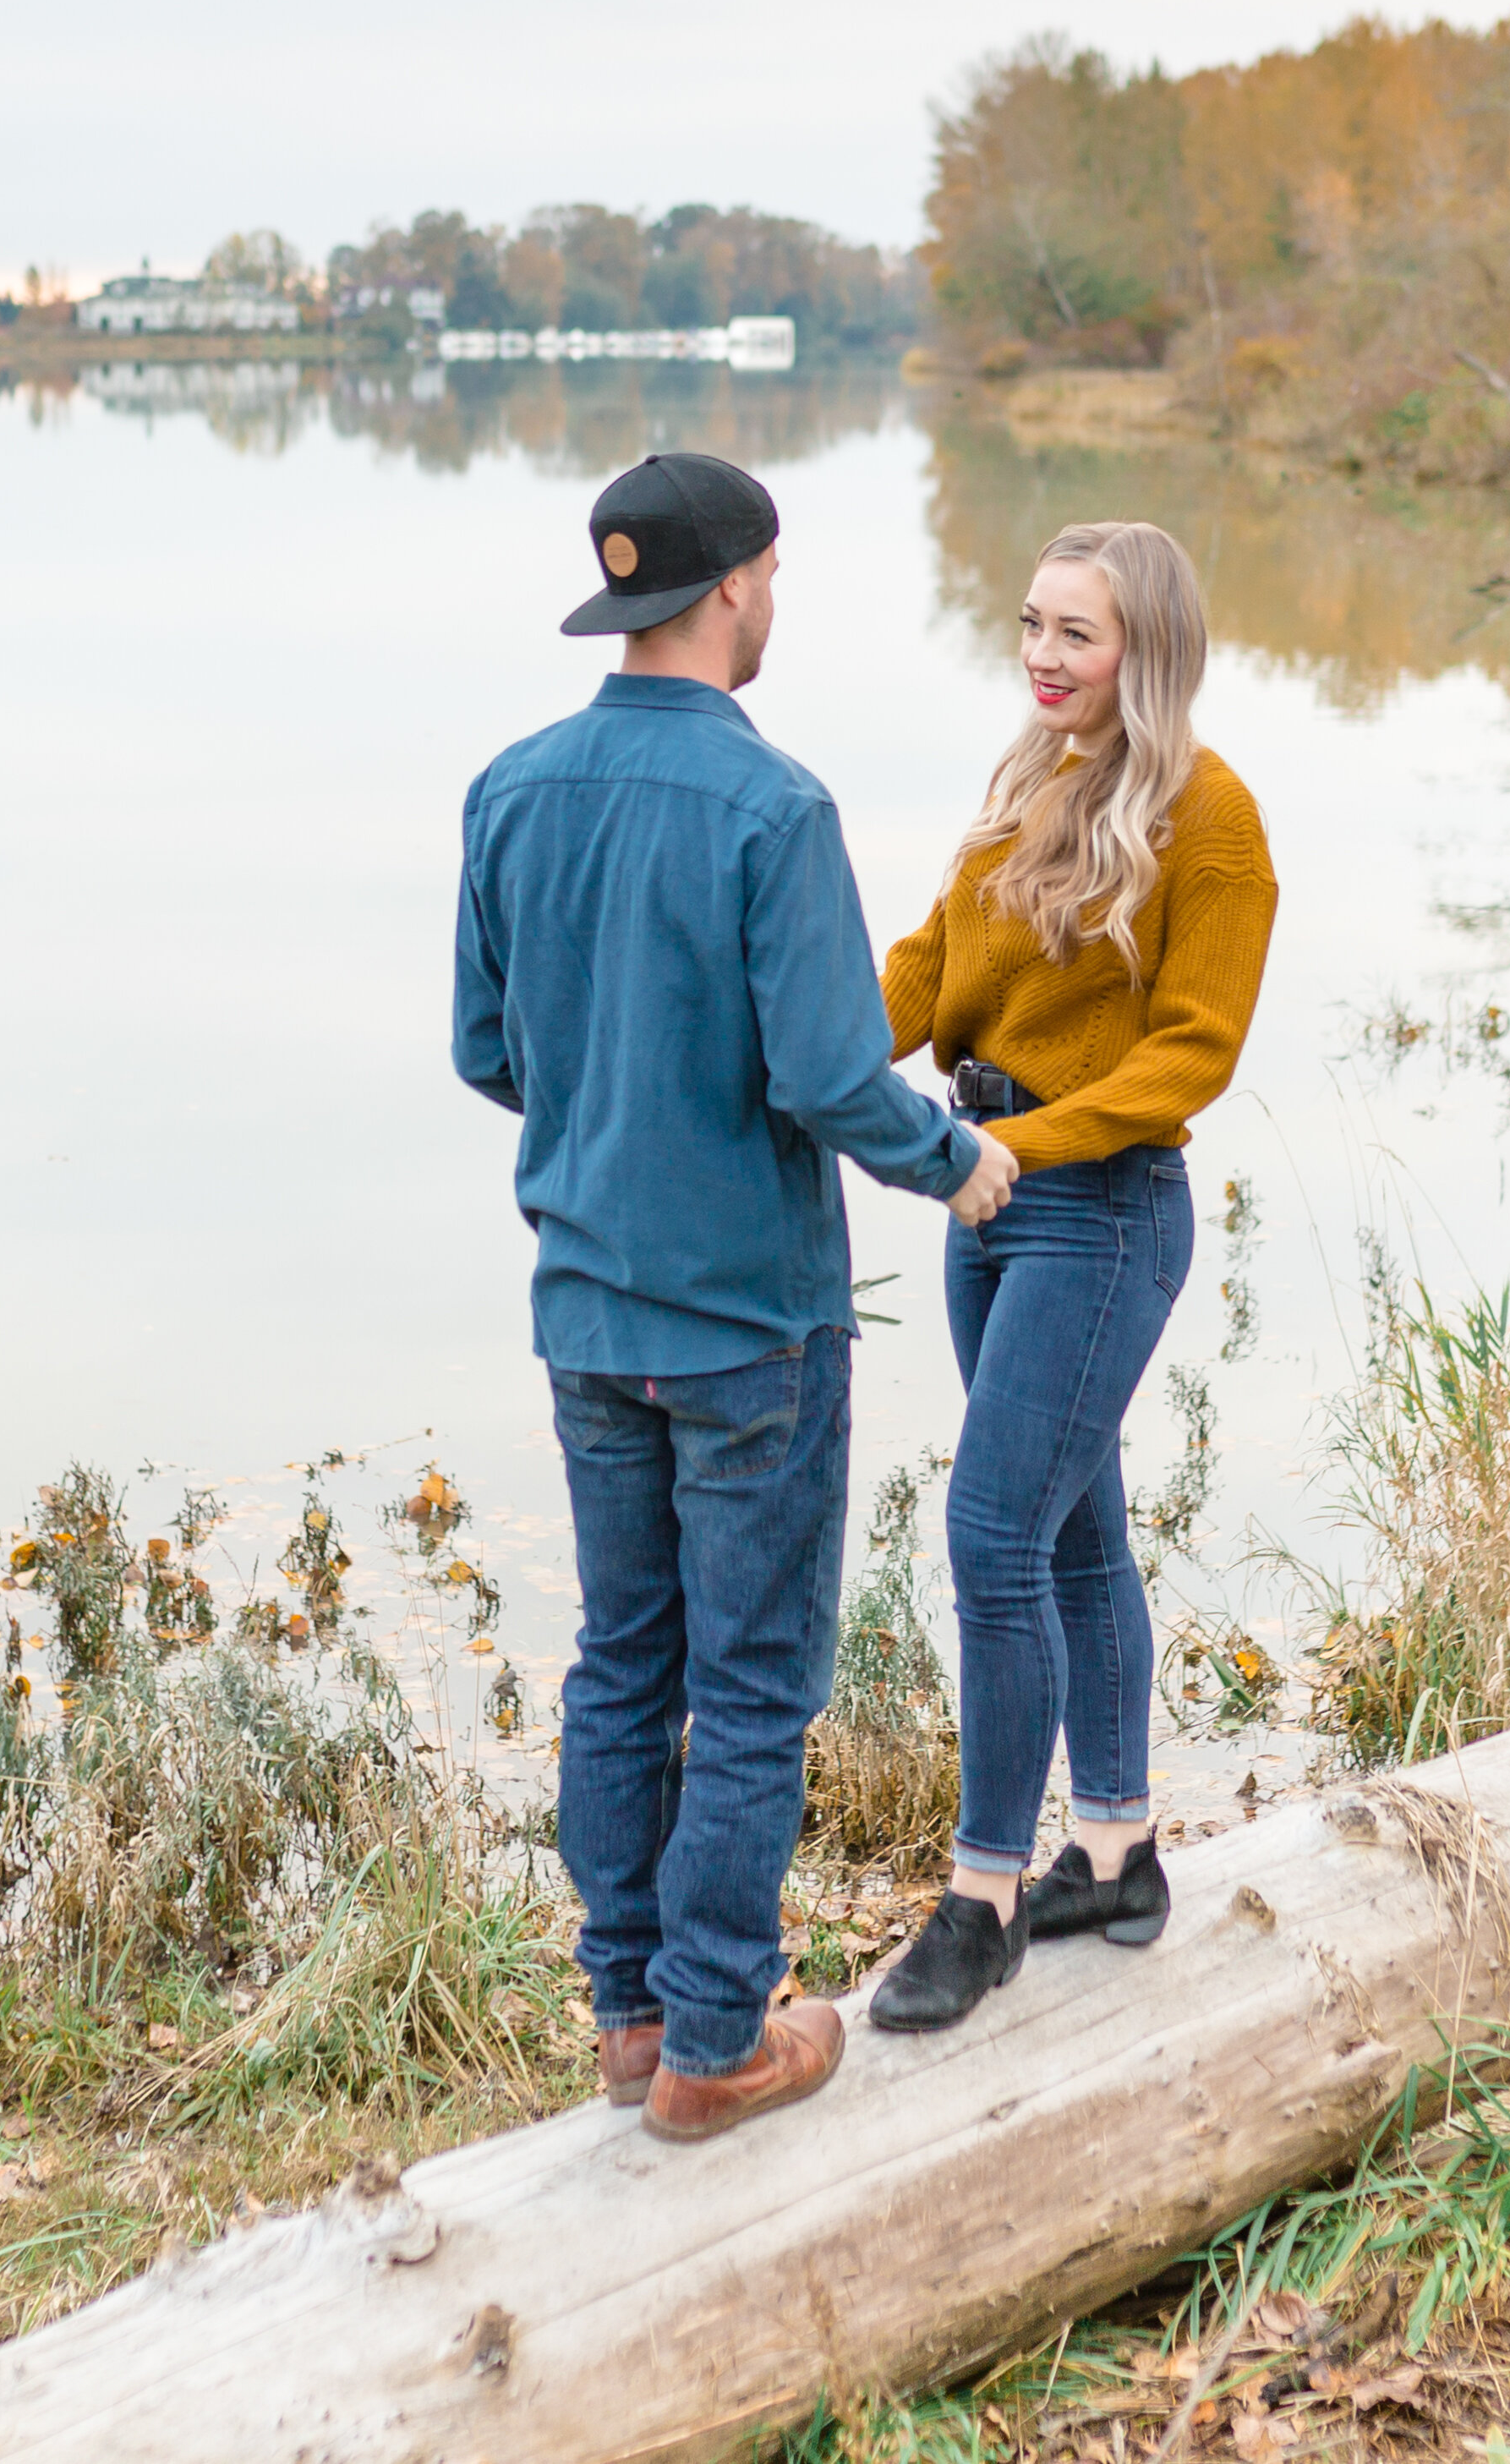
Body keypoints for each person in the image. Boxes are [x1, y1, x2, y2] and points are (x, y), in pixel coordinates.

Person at [452, 452, 1017, 2139]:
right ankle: (715, 2042)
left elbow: (492, 1052)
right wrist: (953, 1164)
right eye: (773, 577)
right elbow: (836, 1078)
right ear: (737, 585)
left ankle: (629, 2014)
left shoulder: (509, 789)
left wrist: (616, 1111)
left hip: (586, 1310)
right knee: (755, 1684)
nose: (775, 602)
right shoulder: (778, 809)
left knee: (624, 1661)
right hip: (750, 1326)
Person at [868, 520, 1277, 2034]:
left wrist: (1025, 1146)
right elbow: (930, 968)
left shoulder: (1209, 817)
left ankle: (980, 1901)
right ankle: (1112, 1847)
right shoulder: (1030, 780)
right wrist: (821, 1047)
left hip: (1097, 1208)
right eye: (1031, 626)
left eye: (1076, 636)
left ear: (1144, 652)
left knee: (989, 1534)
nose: (1042, 658)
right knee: (1072, 1533)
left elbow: (1192, 1050)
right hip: (991, 1198)